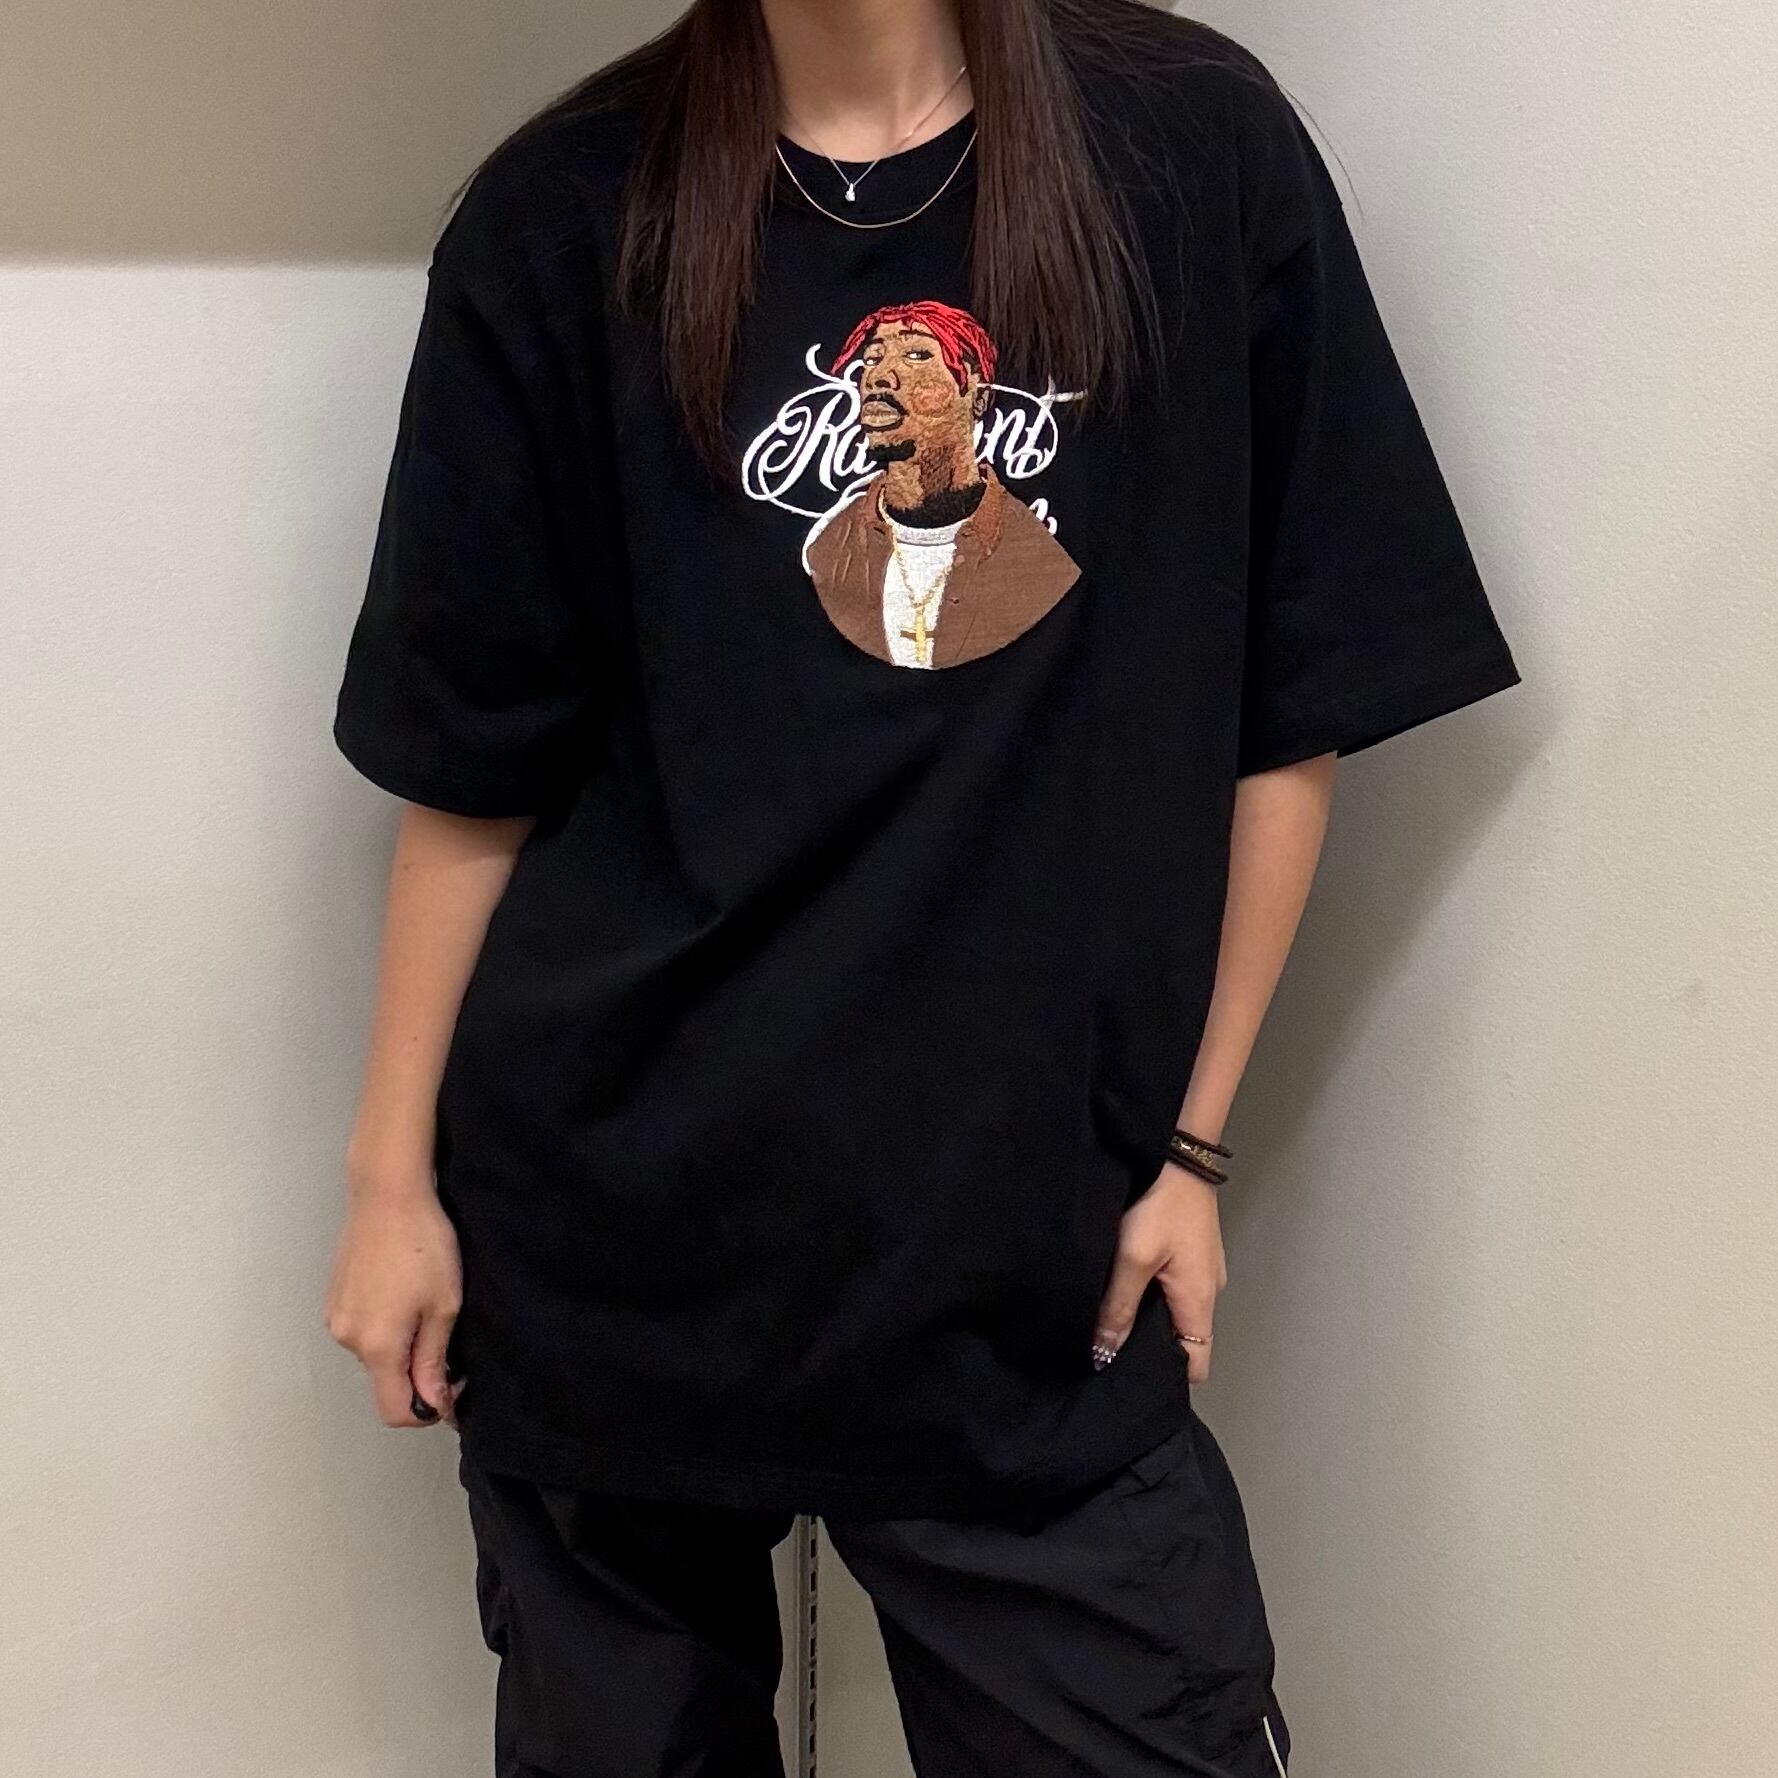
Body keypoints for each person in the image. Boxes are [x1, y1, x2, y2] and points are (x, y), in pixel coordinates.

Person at [324, 2, 1522, 1774]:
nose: (890, 398)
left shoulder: (1184, 148)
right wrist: (388, 1181)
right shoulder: (564, 209)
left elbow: (1292, 701)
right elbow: (476, 769)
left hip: (1024, 1274)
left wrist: (1193, 1149)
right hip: (623, 1242)